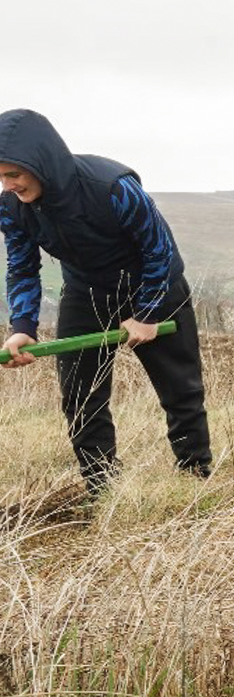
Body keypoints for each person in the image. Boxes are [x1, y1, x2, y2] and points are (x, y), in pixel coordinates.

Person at [0, 108, 213, 492]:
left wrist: (147, 313)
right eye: (1, 176)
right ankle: (103, 488)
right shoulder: (11, 207)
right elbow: (21, 266)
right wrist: (22, 327)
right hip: (86, 292)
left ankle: (194, 476)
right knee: (81, 397)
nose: (8, 184)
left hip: (154, 286)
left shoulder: (110, 186)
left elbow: (160, 251)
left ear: (42, 162)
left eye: (14, 173)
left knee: (180, 390)